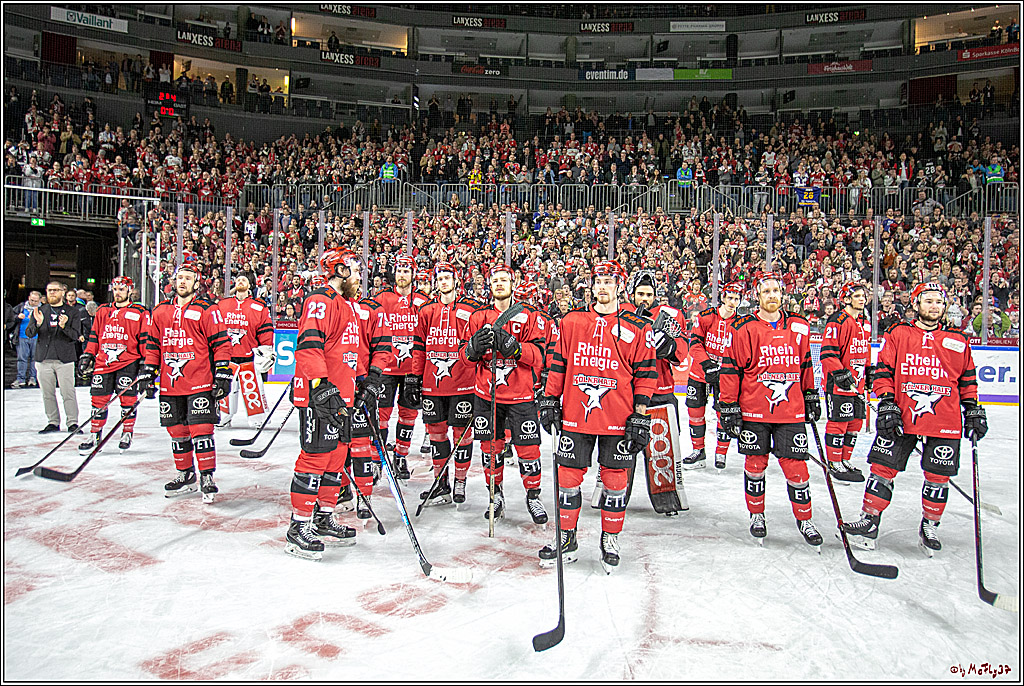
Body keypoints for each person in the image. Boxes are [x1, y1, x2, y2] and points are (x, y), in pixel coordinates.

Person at [843, 283, 987, 555]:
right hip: (902, 414)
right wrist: (886, 402)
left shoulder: (958, 340)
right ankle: (870, 519)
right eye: (929, 301)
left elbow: (967, 380)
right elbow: (883, 370)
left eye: (939, 302)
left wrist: (974, 409)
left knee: (938, 475)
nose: (934, 306)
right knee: (882, 468)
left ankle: (930, 525)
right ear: (916, 304)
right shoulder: (899, 333)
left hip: (945, 418)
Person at [539, 259, 656, 571]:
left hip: (619, 418)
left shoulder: (637, 326)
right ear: (591, 285)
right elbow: (558, 363)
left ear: (619, 285)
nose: (603, 286)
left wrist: (641, 415)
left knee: (616, 481)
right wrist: (550, 399)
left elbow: (646, 374)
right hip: (576, 414)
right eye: (598, 280)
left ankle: (610, 538)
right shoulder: (572, 321)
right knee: (567, 477)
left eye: (609, 281)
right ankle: (567, 537)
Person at [719, 272, 824, 547]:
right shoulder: (743, 327)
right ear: (757, 295)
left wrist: (812, 394)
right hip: (754, 411)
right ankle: (757, 515)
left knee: (797, 468)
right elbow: (731, 369)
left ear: (782, 294)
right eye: (766, 291)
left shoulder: (799, 326)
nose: (772, 295)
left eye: (776, 290)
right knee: (755, 466)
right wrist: (728, 406)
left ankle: (805, 518)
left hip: (791, 412)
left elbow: (806, 365)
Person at [285, 249, 362, 560]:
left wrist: (362, 383)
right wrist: (320, 385)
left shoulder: (346, 305)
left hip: (341, 397)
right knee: (315, 457)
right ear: (340, 271)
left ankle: (324, 516)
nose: (358, 277)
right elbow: (308, 348)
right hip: (322, 397)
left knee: (336, 458)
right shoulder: (322, 299)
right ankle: (298, 525)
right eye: (355, 271)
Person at [139, 259, 231, 502]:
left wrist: (223, 373)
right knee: (176, 431)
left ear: (196, 283)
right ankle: (185, 474)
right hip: (171, 384)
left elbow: (221, 344)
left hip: (200, 380)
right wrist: (148, 372)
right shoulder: (160, 311)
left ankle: (207, 476)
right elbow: (153, 346)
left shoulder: (207, 309)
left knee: (201, 430)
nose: (183, 281)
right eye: (180, 277)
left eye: (188, 278)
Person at [464, 264, 548, 526]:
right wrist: (472, 350)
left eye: (504, 280)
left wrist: (516, 348)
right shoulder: (478, 317)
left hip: (521, 396)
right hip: (487, 397)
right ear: (489, 285)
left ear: (513, 283)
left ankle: (533, 495)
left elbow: (540, 357)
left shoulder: (530, 316)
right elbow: (464, 358)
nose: (499, 284)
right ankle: (495, 495)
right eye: (495, 280)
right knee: (491, 450)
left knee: (529, 450)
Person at [412, 262, 483, 506]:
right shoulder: (426, 310)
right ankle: (440, 482)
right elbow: (419, 346)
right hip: (432, 384)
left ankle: (460, 481)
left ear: (456, 280)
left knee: (462, 434)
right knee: (436, 434)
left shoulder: (472, 309)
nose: (443, 282)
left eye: (447, 277)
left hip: (464, 383)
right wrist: (414, 377)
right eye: (439, 278)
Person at [627, 269, 689, 514]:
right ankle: (613, 494)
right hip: (628, 392)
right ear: (631, 293)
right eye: (640, 293)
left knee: (662, 449)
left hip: (661, 391)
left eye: (649, 294)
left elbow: (682, 351)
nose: (644, 298)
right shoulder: (622, 313)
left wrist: (670, 347)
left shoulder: (670, 315)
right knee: (621, 447)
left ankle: (667, 500)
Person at [76, 276, 151, 454]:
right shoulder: (103, 311)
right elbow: (94, 336)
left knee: (127, 400)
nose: (117, 293)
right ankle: (95, 433)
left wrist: (144, 363)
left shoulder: (140, 312)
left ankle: (127, 432)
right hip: (104, 362)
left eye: (121, 290)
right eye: (115, 289)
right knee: (98, 400)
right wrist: (88, 355)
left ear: (129, 291)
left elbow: (145, 340)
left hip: (128, 362)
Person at [372, 256, 429, 479]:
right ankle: (377, 460)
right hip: (386, 369)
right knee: (382, 414)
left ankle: (401, 456)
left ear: (413, 274)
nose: (402, 275)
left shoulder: (423, 301)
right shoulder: (382, 298)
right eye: (399, 270)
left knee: (408, 415)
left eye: (406, 270)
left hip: (411, 371)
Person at [683, 281, 744, 469]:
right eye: (730, 298)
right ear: (723, 298)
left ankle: (721, 452)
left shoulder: (742, 323)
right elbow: (694, 344)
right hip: (700, 371)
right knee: (695, 411)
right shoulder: (705, 317)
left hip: (726, 375)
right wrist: (707, 364)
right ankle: (698, 451)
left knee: (723, 411)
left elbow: (742, 351)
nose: (732, 302)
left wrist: (726, 369)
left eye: (736, 299)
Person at [348, 277, 394, 519]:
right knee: (334, 445)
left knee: (361, 443)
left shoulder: (371, 309)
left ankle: (364, 496)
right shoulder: (327, 306)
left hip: (360, 385)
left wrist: (373, 377)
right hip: (333, 387)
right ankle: (342, 490)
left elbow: (383, 347)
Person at [818, 281, 871, 483]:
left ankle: (845, 459)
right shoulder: (837, 320)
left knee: (855, 422)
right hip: (839, 383)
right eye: (857, 296)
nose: (862, 299)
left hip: (857, 382)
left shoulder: (864, 322)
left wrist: (869, 371)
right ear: (846, 299)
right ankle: (834, 462)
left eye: (863, 296)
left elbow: (864, 352)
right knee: (839, 421)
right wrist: (840, 373)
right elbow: (827, 353)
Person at [215, 275, 275, 428]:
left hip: (249, 356)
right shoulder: (222, 304)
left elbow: (265, 331)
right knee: (225, 388)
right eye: (238, 279)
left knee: (252, 389)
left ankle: (258, 419)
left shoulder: (259, 306)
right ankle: (223, 416)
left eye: (244, 280)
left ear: (250, 285)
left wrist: (267, 350)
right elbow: (214, 329)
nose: (240, 281)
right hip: (226, 357)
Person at [26, 282, 83, 433]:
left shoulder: (72, 312)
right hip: (43, 358)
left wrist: (64, 327)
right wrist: (38, 324)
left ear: (63, 292)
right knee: (47, 393)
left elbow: (75, 336)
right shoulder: (40, 311)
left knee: (68, 392)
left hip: (64, 358)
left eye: (56, 290)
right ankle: (52, 422)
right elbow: (29, 333)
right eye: (50, 290)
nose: (52, 293)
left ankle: (72, 422)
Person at [13, 290, 41, 388]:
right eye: (32, 300)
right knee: (22, 358)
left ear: (39, 301)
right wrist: (17, 317)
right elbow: (10, 317)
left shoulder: (42, 309)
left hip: (36, 337)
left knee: (35, 359)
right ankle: (21, 378)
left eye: (35, 301)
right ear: (29, 298)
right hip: (22, 336)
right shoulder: (21, 307)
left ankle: (33, 377)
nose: (33, 302)